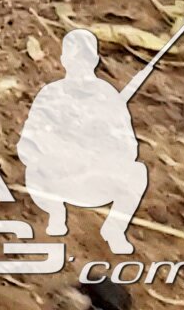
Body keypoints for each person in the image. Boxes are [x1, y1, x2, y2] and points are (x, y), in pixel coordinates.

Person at [19, 29, 148, 254]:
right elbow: (28, 143)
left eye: (85, 59)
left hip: (94, 177)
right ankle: (56, 214)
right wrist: (61, 150)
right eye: (74, 58)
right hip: (57, 178)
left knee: (137, 173)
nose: (79, 65)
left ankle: (114, 229)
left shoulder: (108, 97)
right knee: (36, 167)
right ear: (64, 60)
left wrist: (101, 141)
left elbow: (129, 148)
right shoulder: (51, 94)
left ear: (95, 60)